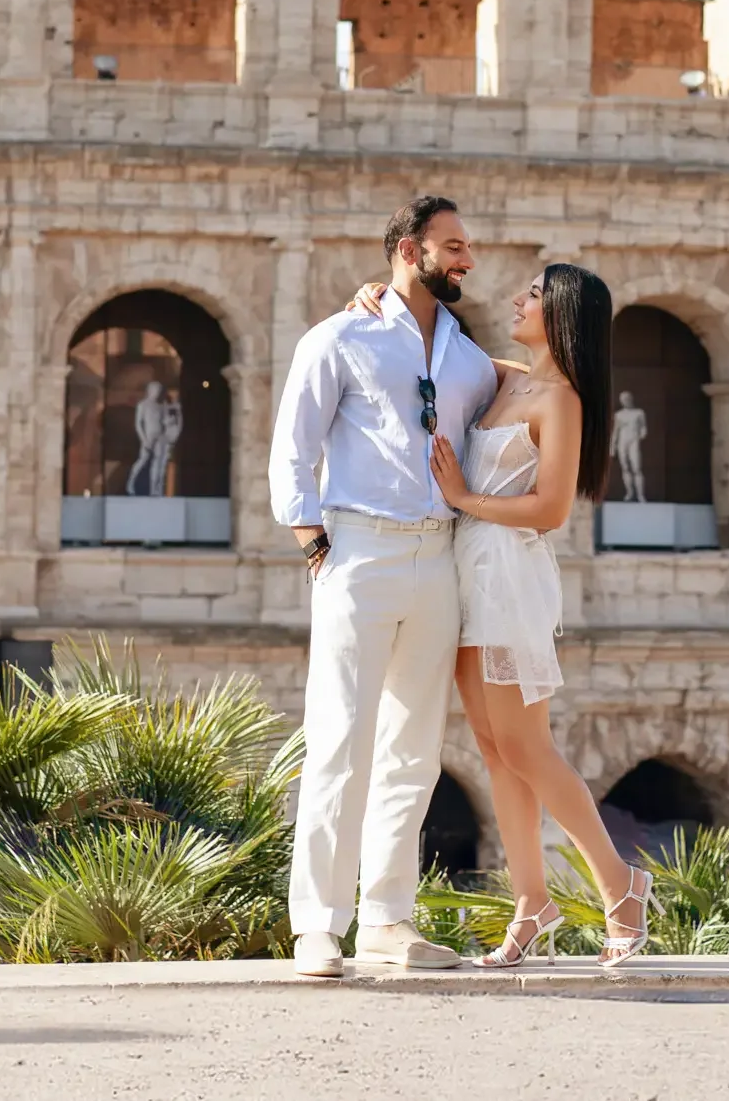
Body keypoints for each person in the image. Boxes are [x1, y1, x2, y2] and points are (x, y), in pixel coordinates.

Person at [269, 196, 496, 978]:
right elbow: (291, 446)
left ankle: (388, 920)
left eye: (468, 246)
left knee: (413, 750)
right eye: (453, 245)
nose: (467, 258)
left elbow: (532, 386)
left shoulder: (468, 357)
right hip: (357, 551)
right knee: (338, 738)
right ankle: (317, 927)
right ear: (409, 248)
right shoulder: (340, 335)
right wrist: (312, 541)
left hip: (437, 558)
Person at [429, 262, 654, 969]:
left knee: (526, 745)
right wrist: (375, 297)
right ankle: (533, 899)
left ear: (560, 313)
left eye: (531, 292)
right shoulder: (508, 378)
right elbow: (434, 342)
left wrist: (463, 496)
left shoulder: (560, 398)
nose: (517, 298)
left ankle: (620, 883)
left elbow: (552, 509)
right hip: (468, 567)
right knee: (493, 748)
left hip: (507, 570)